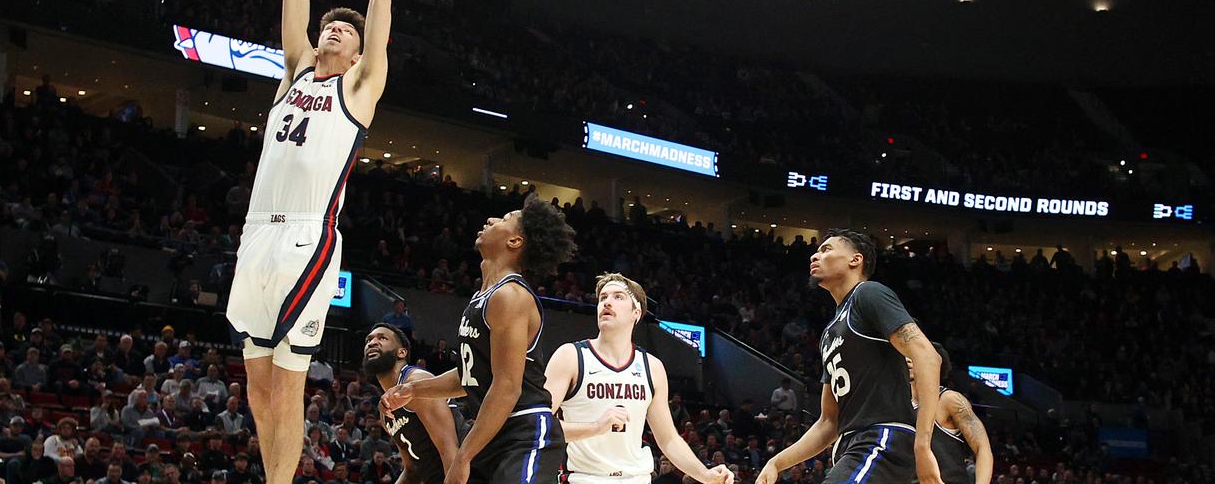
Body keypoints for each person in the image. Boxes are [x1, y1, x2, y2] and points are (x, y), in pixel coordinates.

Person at [225, 0, 409, 484]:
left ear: (361, 52)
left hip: (308, 237)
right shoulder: (295, 72)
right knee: (255, 383)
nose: (333, 30)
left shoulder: (358, 89)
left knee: (287, 382)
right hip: (257, 234)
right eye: (329, 26)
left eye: (346, 30)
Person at [381, 201, 577, 484]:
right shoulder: (482, 296)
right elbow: (469, 377)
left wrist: (463, 456)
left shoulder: (510, 296)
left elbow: (506, 387)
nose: (490, 219)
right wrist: (413, 389)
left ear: (515, 240)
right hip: (491, 435)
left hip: (524, 433)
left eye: (504, 218)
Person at [756, 229, 943, 484]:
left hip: (881, 438)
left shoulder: (868, 294)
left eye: (827, 249)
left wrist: (923, 444)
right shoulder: (829, 332)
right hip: (851, 446)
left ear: (855, 260)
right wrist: (776, 462)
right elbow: (828, 422)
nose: (815, 255)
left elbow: (929, 357)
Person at [543, 273, 732, 484]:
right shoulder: (571, 356)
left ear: (636, 312)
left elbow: (668, 439)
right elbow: (537, 425)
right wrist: (595, 427)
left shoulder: (652, 367)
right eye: (603, 297)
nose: (607, 302)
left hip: (638, 478)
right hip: (585, 478)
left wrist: (705, 474)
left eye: (618, 297)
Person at [363, 323, 459, 483]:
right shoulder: (385, 412)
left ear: (401, 352)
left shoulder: (417, 382)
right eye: (368, 340)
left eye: (382, 338)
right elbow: (412, 469)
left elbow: (451, 451)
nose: (372, 343)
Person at [908, 344, 993, 484]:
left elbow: (982, 447)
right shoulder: (898, 402)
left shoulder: (949, 400)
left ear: (935, 365)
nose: (908, 360)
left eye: (914, 356)